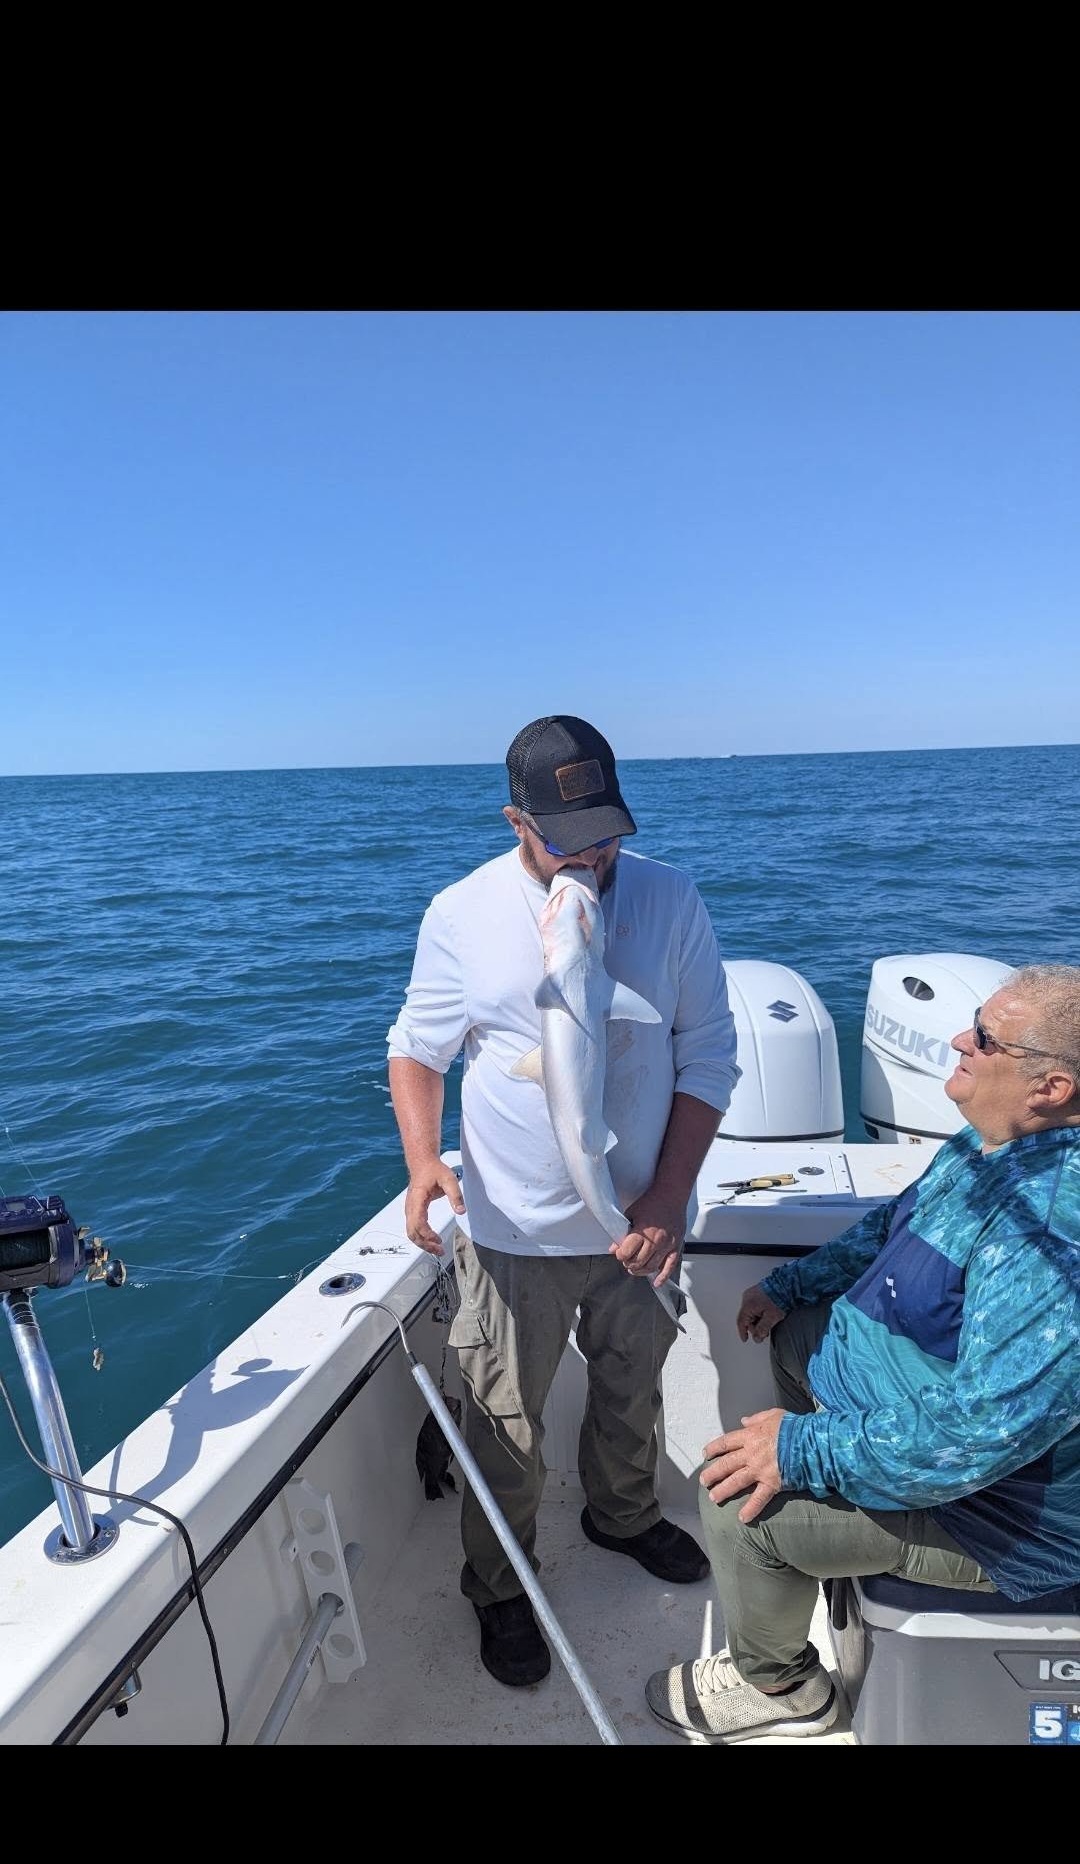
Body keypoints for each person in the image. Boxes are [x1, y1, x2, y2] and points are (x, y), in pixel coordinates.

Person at [388, 715, 740, 1685]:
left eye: (607, 831)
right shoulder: (460, 915)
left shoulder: (672, 902)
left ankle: (621, 1515)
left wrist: (669, 1196)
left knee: (635, 1393)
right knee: (506, 1422)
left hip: (640, 1227)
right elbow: (415, 1050)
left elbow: (709, 1053)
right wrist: (424, 1163)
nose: (593, 855)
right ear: (516, 821)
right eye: (566, 836)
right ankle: (501, 1585)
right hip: (511, 1232)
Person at [644, 962, 1080, 1740]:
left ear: (1050, 1088)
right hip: (927, 1426)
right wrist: (794, 1283)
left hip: (996, 1515)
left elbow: (979, 1435)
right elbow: (892, 1228)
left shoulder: (1046, 1232)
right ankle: (834, 1516)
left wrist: (806, 1449)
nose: (958, 1040)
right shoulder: (990, 1146)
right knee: (801, 1331)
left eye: (985, 1038)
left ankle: (782, 1690)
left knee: (734, 1498)